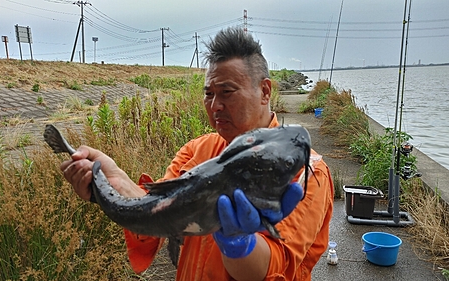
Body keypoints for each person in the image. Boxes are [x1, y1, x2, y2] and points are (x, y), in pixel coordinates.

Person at [60, 27, 334, 281]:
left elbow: (276, 266)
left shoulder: (305, 172)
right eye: (209, 94)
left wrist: (240, 244)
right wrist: (114, 180)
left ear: (264, 91)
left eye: (227, 92)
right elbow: (158, 214)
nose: (215, 105)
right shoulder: (196, 150)